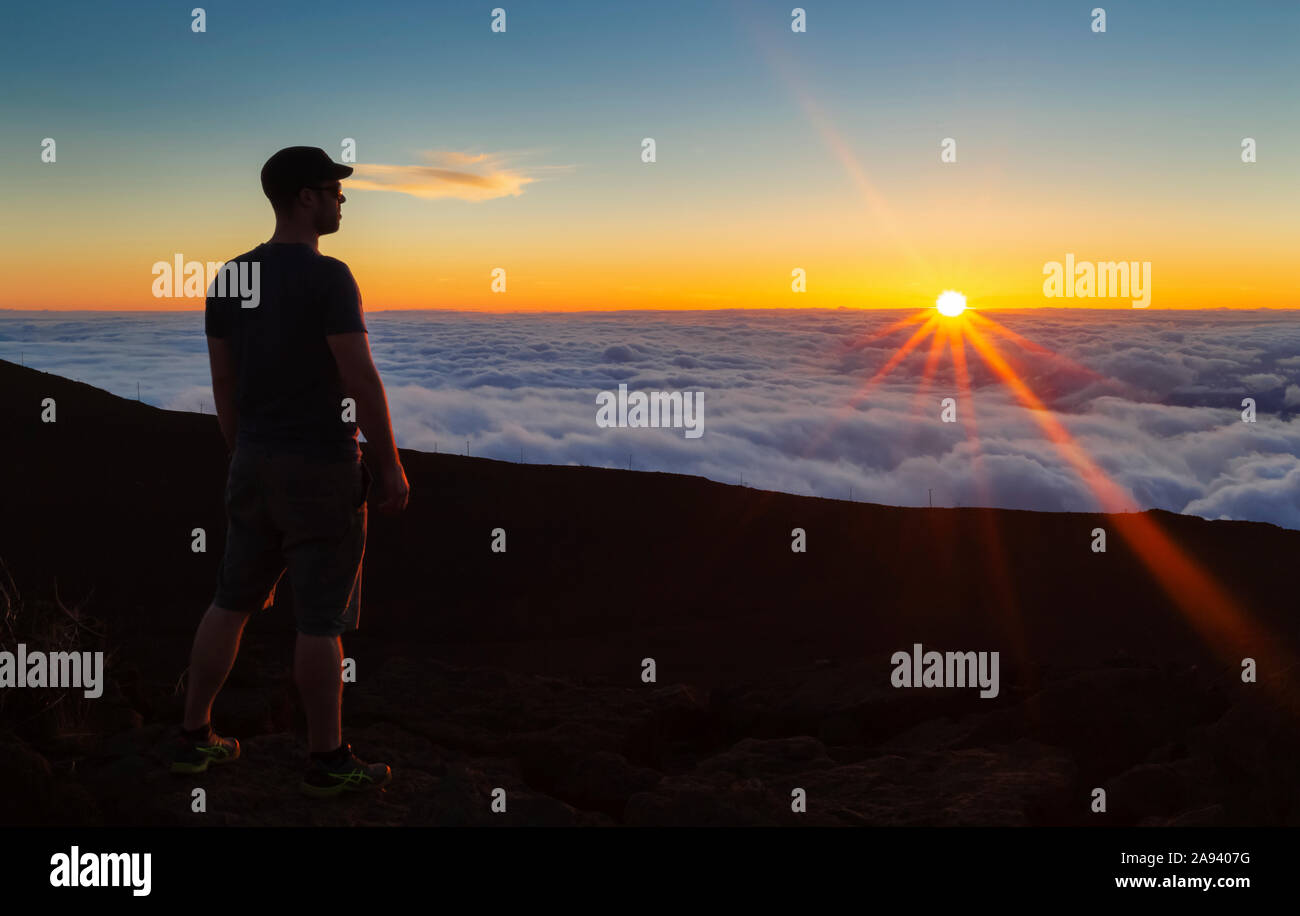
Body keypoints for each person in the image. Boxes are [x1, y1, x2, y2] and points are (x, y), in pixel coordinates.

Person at [171, 146, 410, 798]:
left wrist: (241, 451)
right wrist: (387, 464)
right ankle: (328, 759)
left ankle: (193, 739)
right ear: (305, 197)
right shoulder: (329, 277)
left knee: (231, 600)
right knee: (320, 619)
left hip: (253, 458)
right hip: (323, 465)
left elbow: (224, 382)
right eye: (334, 189)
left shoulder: (230, 278)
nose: (342, 199)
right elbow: (359, 376)